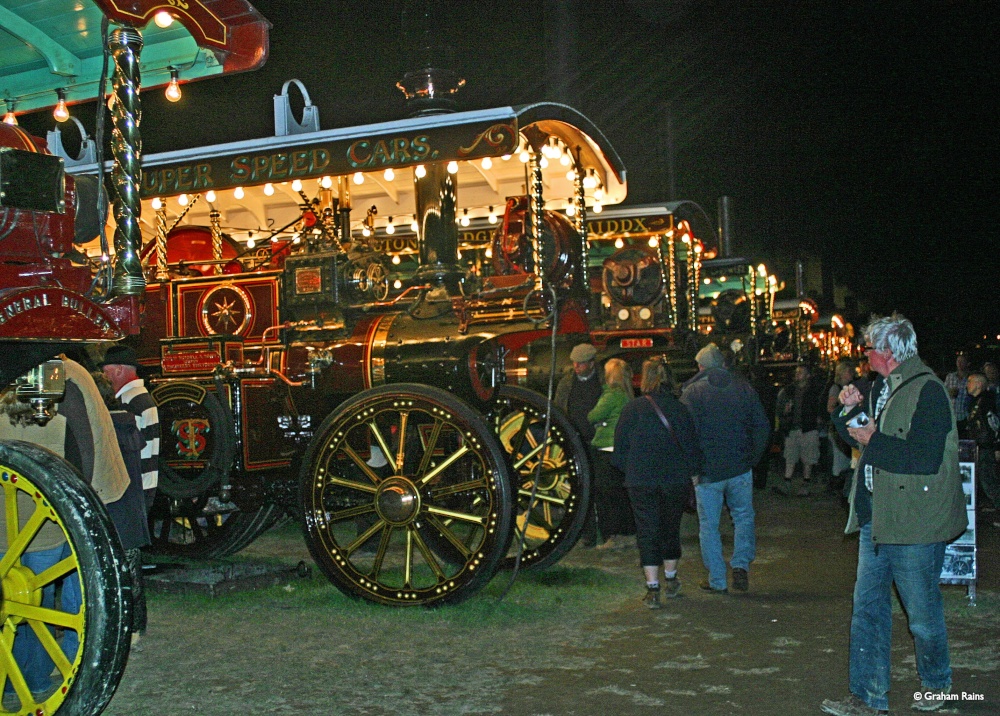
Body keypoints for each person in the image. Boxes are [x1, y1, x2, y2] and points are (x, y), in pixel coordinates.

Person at [822, 314, 966, 716]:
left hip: (915, 523)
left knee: (920, 613)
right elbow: (864, 437)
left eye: (869, 347)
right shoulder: (884, 388)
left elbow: (922, 459)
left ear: (887, 351)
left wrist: (873, 439)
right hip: (877, 518)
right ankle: (867, 696)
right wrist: (848, 414)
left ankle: (938, 685)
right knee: (867, 611)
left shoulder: (929, 391)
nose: (864, 354)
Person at [0, 357, 129, 698]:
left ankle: (41, 679)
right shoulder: (63, 376)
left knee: (33, 601)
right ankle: (59, 674)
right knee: (57, 599)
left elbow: (81, 451)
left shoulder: (54, 375)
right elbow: (80, 450)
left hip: (39, 515)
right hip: (52, 513)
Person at [680, 343, 770, 594]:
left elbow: (687, 434)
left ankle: (717, 579)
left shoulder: (692, 392)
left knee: (709, 525)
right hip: (740, 467)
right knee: (743, 517)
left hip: (708, 471)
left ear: (701, 366)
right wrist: (752, 458)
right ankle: (740, 564)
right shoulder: (743, 387)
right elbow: (762, 426)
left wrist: (693, 466)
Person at [613, 358, 702, 608]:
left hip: (641, 480)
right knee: (670, 528)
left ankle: (652, 588)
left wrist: (629, 469)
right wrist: (693, 475)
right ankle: (671, 579)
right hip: (674, 480)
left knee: (647, 530)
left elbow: (619, 451)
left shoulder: (632, 409)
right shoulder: (680, 409)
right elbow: (691, 448)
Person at [91, 370, 154, 646]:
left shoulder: (104, 427)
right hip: (131, 504)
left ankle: (120, 626)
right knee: (132, 570)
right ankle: (136, 627)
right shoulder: (129, 422)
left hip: (113, 503)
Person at [99, 344, 159, 512]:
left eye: (106, 372)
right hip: (144, 484)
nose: (105, 377)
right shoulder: (140, 397)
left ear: (119, 370)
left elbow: (128, 449)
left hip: (134, 487)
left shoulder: (128, 401)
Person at [555, 343, 603, 546]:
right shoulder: (567, 383)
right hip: (576, 443)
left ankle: (608, 532)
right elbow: (558, 408)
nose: (577, 367)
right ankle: (587, 533)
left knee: (602, 488)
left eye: (581, 364)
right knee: (581, 489)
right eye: (575, 363)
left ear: (592, 363)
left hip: (598, 443)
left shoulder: (603, 381)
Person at [587, 357, 636, 549]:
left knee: (606, 495)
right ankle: (628, 533)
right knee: (622, 495)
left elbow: (593, 415)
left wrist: (600, 423)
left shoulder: (611, 395)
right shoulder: (627, 395)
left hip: (606, 449)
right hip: (622, 450)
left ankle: (612, 536)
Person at [776, 364, 824, 496]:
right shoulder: (789, 390)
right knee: (790, 456)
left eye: (801, 372)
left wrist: (818, 419)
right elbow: (780, 408)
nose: (797, 374)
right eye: (797, 372)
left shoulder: (814, 391)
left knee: (808, 458)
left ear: (808, 375)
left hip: (808, 427)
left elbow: (819, 407)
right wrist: (785, 413)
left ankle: (806, 484)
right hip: (793, 427)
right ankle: (787, 482)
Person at [962, 372, 1000, 512]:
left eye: (970, 381)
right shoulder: (975, 401)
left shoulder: (987, 401)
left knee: (988, 480)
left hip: (986, 447)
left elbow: (994, 424)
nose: (967, 384)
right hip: (977, 446)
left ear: (978, 384)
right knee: (981, 479)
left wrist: (996, 446)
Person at [827, 361, 856, 492]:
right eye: (850, 371)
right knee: (839, 459)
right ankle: (836, 485)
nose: (852, 374)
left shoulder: (850, 387)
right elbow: (830, 408)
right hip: (837, 429)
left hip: (846, 426)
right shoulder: (836, 388)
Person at [943, 352, 971, 424]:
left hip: (964, 417)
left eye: (962, 361)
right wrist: (949, 393)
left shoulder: (971, 379)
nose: (959, 363)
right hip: (950, 417)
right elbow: (943, 394)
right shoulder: (950, 376)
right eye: (958, 361)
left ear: (967, 364)